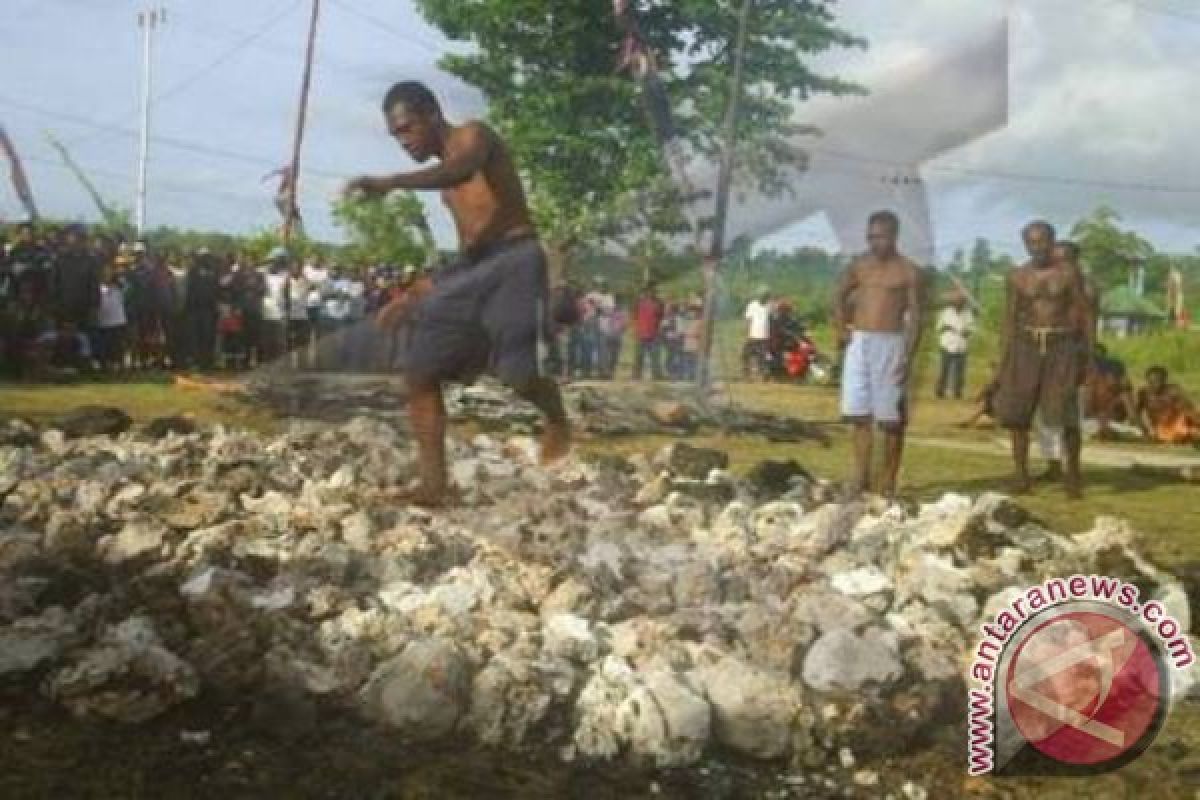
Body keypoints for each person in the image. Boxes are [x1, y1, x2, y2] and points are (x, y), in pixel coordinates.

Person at [345, 80, 570, 507]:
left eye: (408, 128)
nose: (404, 142)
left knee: (516, 374)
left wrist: (392, 183)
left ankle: (556, 416)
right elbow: (470, 251)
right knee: (420, 373)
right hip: (478, 268)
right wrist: (415, 294)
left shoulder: (474, 137)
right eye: (396, 135)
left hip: (517, 260)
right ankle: (434, 485)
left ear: (432, 114)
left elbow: (461, 168)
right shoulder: (446, 190)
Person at [992, 221, 1093, 498]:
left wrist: (1089, 355)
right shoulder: (1016, 276)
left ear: (1052, 241)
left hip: (1062, 346)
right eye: (1031, 242)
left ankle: (1072, 476)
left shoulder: (1069, 274)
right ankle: (1021, 476)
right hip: (1025, 346)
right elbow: (1009, 318)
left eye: (1042, 242)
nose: (1037, 247)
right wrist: (1004, 359)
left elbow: (1085, 313)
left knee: (1065, 412)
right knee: (1018, 414)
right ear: (1025, 244)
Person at [833, 210, 924, 499]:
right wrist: (840, 327)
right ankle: (860, 476)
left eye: (881, 237)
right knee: (858, 414)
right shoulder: (860, 266)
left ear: (894, 236)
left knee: (891, 419)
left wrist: (908, 356)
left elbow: (917, 317)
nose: (875, 242)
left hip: (891, 343)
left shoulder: (909, 271)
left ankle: (888, 482)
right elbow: (837, 295)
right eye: (871, 237)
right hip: (859, 342)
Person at [1136, 366, 1200, 445]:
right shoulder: (1143, 393)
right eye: (1152, 381)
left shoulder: (1173, 390)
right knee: (1184, 434)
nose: (1156, 385)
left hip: (1178, 421)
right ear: (1147, 380)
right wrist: (1144, 431)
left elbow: (1189, 408)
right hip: (1161, 428)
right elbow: (1135, 414)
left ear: (1165, 381)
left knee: (1190, 413)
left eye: (1159, 381)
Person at [185, 249, 220, 370]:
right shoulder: (193, 271)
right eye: (202, 257)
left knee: (208, 336)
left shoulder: (214, 272)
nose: (204, 259)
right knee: (195, 337)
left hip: (209, 310)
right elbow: (189, 290)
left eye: (207, 256)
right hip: (195, 309)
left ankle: (208, 361)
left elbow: (217, 290)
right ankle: (197, 361)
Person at [935, 289, 974, 399]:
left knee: (960, 371)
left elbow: (970, 329)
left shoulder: (967, 313)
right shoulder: (946, 312)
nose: (958, 304)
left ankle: (957, 392)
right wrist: (949, 328)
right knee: (944, 369)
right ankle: (940, 392)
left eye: (960, 302)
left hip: (961, 345)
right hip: (947, 344)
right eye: (956, 302)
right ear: (952, 303)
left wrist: (966, 332)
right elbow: (939, 328)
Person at [94, 264, 128, 373]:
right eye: (104, 273)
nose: (106, 275)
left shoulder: (119, 287)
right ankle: (105, 367)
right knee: (104, 347)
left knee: (118, 346)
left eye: (108, 273)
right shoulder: (97, 288)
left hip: (118, 321)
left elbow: (128, 289)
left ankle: (120, 367)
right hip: (103, 322)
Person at [632, 281, 664, 380]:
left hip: (653, 333)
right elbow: (635, 315)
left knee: (655, 356)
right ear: (646, 292)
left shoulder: (659, 303)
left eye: (653, 291)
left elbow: (661, 317)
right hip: (641, 332)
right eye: (649, 291)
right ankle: (636, 375)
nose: (651, 293)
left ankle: (656, 375)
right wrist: (636, 328)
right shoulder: (639, 302)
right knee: (639, 356)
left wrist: (657, 328)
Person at [743, 285, 771, 379]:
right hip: (753, 335)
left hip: (764, 336)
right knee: (746, 354)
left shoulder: (769, 306)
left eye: (766, 296)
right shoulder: (752, 305)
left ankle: (763, 374)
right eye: (763, 295)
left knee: (762, 357)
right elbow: (748, 320)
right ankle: (746, 373)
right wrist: (747, 334)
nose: (764, 298)